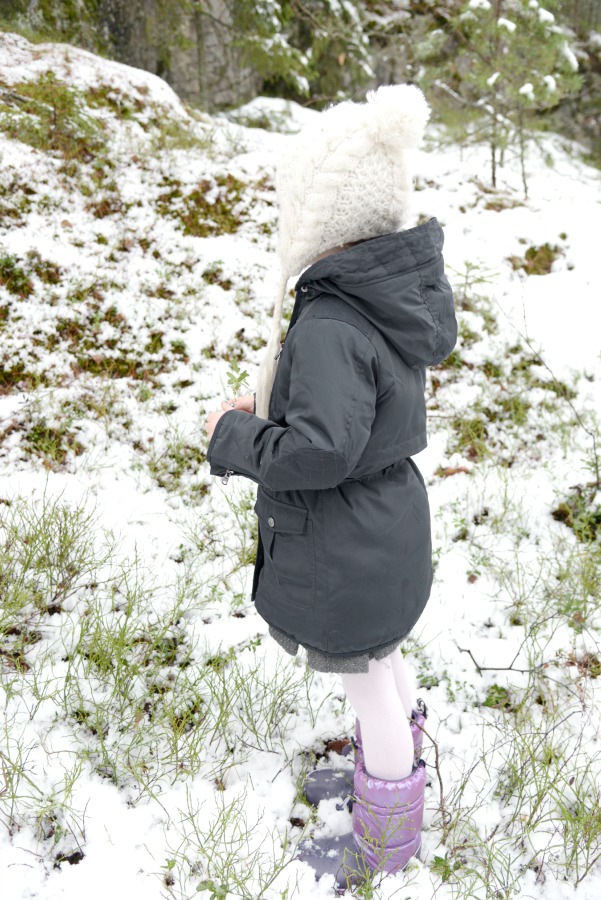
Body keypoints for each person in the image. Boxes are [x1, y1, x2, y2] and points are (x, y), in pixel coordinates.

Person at [204, 84, 457, 889]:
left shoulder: (330, 322)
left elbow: (319, 452)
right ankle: (394, 765)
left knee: (366, 677)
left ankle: (386, 837)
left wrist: (234, 435)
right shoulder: (380, 295)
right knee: (381, 659)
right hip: (383, 521)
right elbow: (351, 416)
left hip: (346, 541)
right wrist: (272, 409)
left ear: (318, 216)